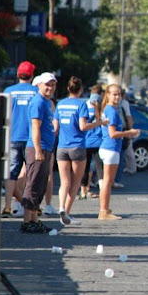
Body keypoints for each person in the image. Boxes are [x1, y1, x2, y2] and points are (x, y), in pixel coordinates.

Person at [53, 77, 107, 226]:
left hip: (62, 147)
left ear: (68, 89)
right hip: (77, 146)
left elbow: (55, 129)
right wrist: (99, 123)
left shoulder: (60, 104)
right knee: (75, 183)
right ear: (81, 89)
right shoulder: (81, 104)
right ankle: (67, 214)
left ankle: (61, 208)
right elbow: (83, 127)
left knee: (64, 182)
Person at [20, 72, 57, 234]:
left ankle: (34, 219)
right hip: (38, 148)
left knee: (40, 185)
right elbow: (35, 127)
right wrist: (37, 150)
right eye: (47, 84)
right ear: (39, 85)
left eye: (53, 84)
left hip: (45, 148)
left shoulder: (46, 102)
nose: (50, 88)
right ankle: (27, 221)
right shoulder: (38, 102)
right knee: (33, 184)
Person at [97, 84, 140, 220]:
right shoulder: (111, 111)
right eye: (114, 94)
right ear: (107, 95)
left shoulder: (109, 109)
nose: (117, 97)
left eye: (119, 94)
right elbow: (113, 134)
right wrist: (130, 133)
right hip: (111, 148)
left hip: (107, 148)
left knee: (107, 181)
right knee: (108, 182)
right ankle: (104, 211)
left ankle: (105, 209)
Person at [3, 61, 38, 218]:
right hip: (32, 138)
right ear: (32, 75)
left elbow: (3, 117)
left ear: (18, 74)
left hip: (12, 136)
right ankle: (30, 207)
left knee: (11, 173)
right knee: (31, 175)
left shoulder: (8, 91)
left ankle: (8, 206)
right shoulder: (37, 92)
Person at [80, 85, 103, 200]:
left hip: (86, 142)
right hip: (98, 142)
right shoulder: (102, 109)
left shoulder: (84, 107)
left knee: (85, 167)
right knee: (99, 168)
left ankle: (83, 191)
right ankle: (103, 191)